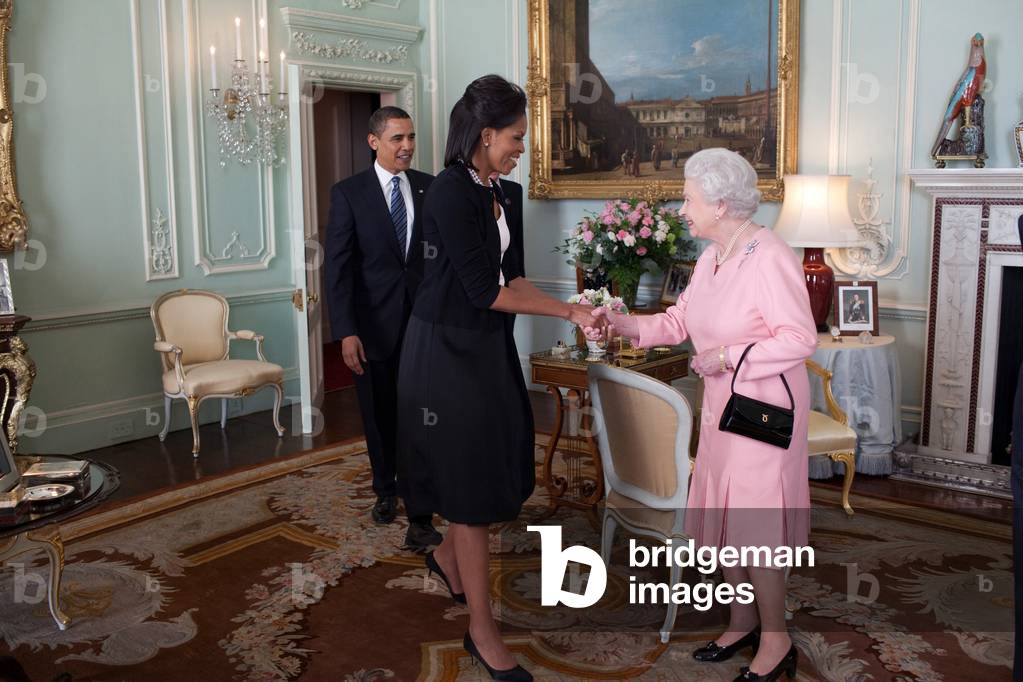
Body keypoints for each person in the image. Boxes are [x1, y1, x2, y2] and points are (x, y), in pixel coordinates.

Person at [397, 74, 603, 682]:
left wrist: (581, 303)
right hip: (444, 352)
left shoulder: (504, 194)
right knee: (467, 488)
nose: (522, 148)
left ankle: (443, 556)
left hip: (486, 349)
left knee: (496, 464)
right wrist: (568, 311)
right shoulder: (447, 195)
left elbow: (512, 280)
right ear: (486, 135)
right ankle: (482, 632)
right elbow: (483, 291)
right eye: (516, 137)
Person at [589, 147, 817, 681]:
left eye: (688, 198)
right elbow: (677, 320)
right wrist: (619, 323)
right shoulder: (713, 256)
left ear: (719, 201)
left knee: (756, 524)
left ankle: (777, 640)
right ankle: (742, 621)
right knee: (729, 515)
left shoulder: (770, 254)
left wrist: (725, 357)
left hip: (765, 411)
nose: (682, 208)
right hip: (721, 406)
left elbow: (800, 339)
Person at [325, 106, 441, 551]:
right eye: (397, 138)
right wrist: (346, 331)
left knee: (423, 416)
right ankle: (385, 488)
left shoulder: (431, 187)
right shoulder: (348, 193)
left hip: (425, 326)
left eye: (411, 137)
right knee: (379, 414)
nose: (407, 146)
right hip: (371, 329)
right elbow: (338, 268)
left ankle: (422, 509)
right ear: (374, 141)